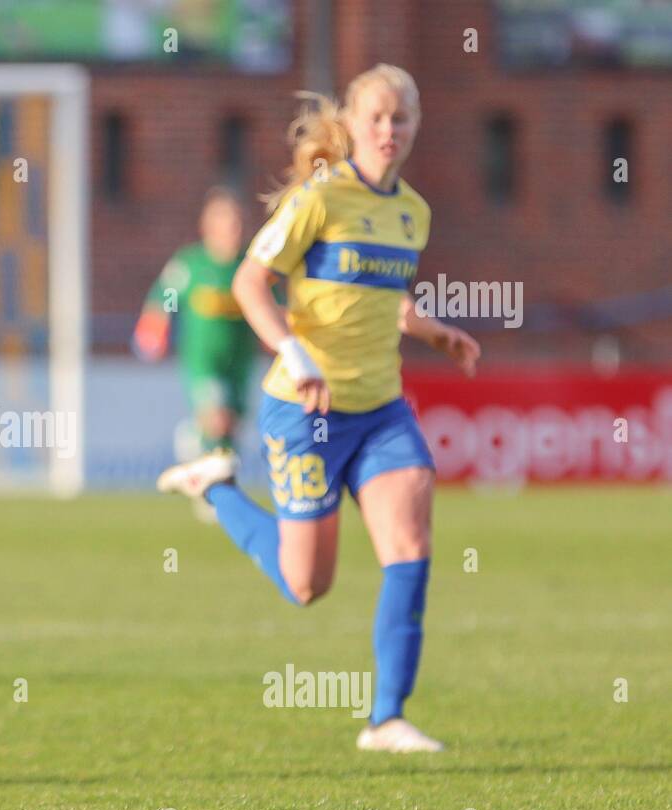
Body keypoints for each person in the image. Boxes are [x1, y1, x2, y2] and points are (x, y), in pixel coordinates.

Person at [157, 64, 481, 753]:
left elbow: (378, 294)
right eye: (377, 118)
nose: (389, 130)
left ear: (416, 125)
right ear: (355, 124)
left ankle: (386, 718)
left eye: (401, 119)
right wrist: (292, 352)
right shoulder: (319, 198)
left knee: (411, 540)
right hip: (304, 408)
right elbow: (250, 281)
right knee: (308, 585)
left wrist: (433, 331)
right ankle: (216, 488)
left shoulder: (412, 214)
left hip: (379, 408)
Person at [133, 187, 264, 464]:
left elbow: (271, 305)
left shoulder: (250, 267)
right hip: (202, 360)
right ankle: (201, 450)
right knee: (216, 417)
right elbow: (166, 295)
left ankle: (217, 482)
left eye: (238, 223)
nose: (233, 230)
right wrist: (157, 325)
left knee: (230, 426)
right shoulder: (192, 264)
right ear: (208, 227)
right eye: (226, 224)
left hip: (240, 360)